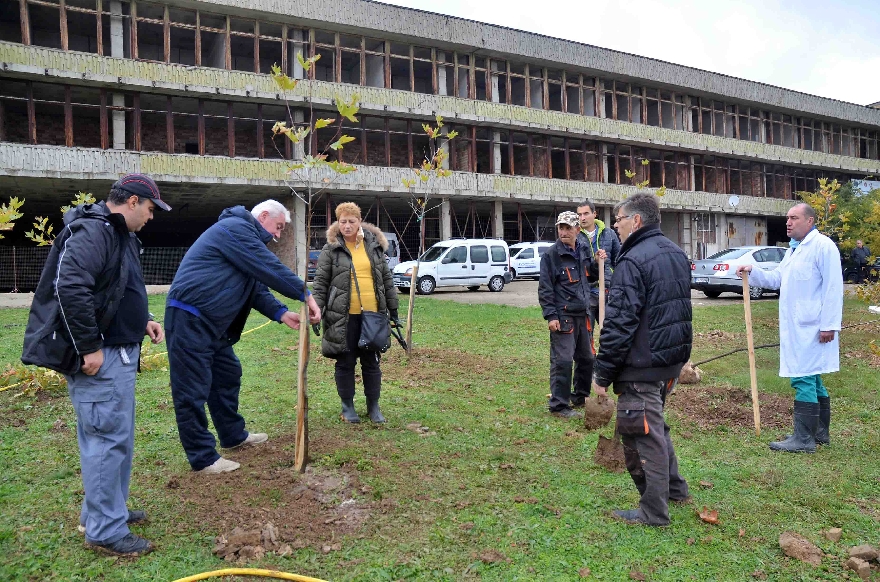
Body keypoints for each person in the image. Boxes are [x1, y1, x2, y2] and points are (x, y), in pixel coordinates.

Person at [21, 173, 170, 556]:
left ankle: (106, 511)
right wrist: (88, 347)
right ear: (133, 201)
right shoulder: (94, 232)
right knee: (105, 440)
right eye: (150, 209)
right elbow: (71, 287)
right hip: (101, 357)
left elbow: (116, 287)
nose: (151, 217)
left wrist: (144, 319)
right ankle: (105, 530)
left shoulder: (117, 233)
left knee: (115, 438)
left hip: (119, 351)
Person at [165, 200, 320, 474]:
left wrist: (282, 313)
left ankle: (233, 435)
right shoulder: (234, 229)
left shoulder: (243, 242)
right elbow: (267, 266)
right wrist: (304, 293)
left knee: (227, 374)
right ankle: (203, 458)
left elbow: (256, 288)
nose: (279, 234)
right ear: (262, 217)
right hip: (190, 318)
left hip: (213, 326)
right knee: (191, 389)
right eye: (279, 227)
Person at [592, 193, 692, 527]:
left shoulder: (633, 260)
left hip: (643, 364)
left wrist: (602, 373)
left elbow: (620, 323)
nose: (616, 226)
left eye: (619, 220)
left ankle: (653, 512)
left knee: (642, 433)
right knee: (656, 424)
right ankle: (676, 489)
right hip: (668, 361)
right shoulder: (675, 252)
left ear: (636, 221)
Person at [736, 203, 842, 453]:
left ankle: (803, 439)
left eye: (794, 218)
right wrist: (753, 270)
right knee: (812, 376)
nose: (788, 222)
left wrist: (829, 325)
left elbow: (834, 288)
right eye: (787, 218)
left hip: (814, 326)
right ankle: (818, 432)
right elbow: (777, 279)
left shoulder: (823, 246)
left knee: (803, 376)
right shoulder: (793, 251)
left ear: (810, 221)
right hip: (798, 326)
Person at [312, 202, 400, 423]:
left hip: (372, 314)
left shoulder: (374, 247)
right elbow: (321, 283)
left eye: (352, 221)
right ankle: (347, 406)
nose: (347, 226)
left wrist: (394, 309)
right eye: (343, 222)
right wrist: (315, 309)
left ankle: (374, 406)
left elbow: (386, 280)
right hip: (342, 316)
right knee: (345, 361)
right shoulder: (331, 250)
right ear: (338, 223)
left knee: (371, 362)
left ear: (360, 222)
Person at [538, 211, 605, 418]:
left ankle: (580, 396)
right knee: (563, 361)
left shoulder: (583, 249)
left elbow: (591, 276)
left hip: (583, 314)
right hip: (563, 316)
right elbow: (545, 288)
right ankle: (559, 405)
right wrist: (551, 316)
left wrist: (596, 262)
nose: (564, 232)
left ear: (578, 230)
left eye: (568, 228)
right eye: (561, 228)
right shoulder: (552, 255)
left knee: (587, 358)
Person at [574, 199, 620, 405]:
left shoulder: (609, 235)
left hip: (608, 292)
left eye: (585, 214)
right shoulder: (576, 236)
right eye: (579, 215)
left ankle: (611, 380)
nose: (582, 218)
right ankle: (582, 391)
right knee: (585, 342)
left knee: (611, 337)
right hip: (586, 295)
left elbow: (619, 259)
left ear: (595, 214)